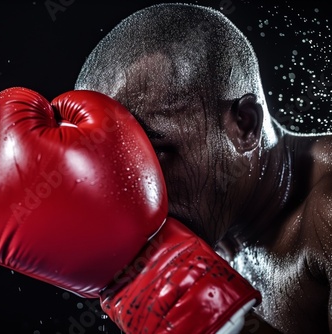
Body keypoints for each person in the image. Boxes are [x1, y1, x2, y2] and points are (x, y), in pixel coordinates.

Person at [75, 3, 332, 333]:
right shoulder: (216, 238)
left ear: (244, 125)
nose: (135, 192)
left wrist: (193, 307)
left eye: (153, 154)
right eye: (113, 170)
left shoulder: (326, 212)